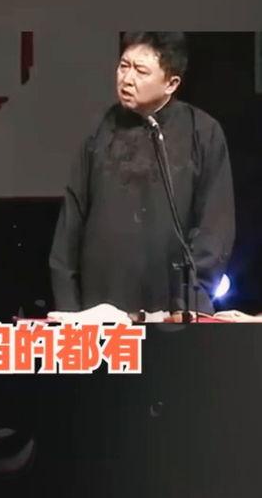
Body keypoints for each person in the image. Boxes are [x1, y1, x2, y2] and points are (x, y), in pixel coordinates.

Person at [49, 33, 235, 315]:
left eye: (141, 71)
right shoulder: (99, 131)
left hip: (175, 306)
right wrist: (69, 308)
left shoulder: (202, 132)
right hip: (100, 305)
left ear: (171, 83)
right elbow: (70, 225)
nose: (127, 79)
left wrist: (190, 301)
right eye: (124, 66)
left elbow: (215, 226)